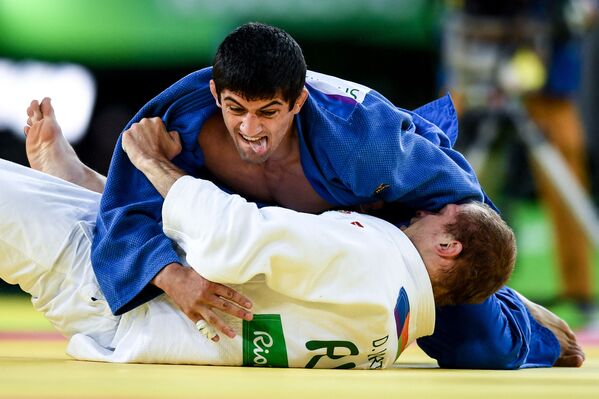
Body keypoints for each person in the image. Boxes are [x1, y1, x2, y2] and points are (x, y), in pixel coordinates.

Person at [23, 22, 583, 368]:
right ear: (216, 94)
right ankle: (82, 180)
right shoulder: (168, 124)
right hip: (257, 221)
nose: (250, 130)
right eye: (236, 109)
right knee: (173, 227)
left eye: (269, 113)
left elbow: (464, 209)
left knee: (479, 347)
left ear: (298, 102)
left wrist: (485, 281)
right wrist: (171, 276)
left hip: (373, 230)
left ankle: (520, 318)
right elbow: (131, 212)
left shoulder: (369, 144)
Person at [0, 151, 515, 368]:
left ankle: (91, 191)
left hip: (116, 283)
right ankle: (89, 188)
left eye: (444, 212)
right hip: (136, 299)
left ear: (448, 247)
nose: (429, 206)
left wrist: (151, 160)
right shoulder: (388, 340)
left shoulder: (373, 259)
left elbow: (235, 236)